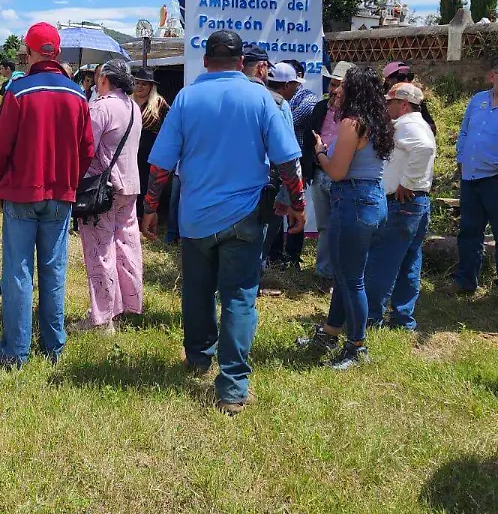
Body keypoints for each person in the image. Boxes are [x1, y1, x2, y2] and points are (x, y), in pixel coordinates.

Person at [141, 30, 305, 414]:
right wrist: (298, 203)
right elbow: (287, 160)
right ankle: (232, 388)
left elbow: (161, 163)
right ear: (241, 62)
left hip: (196, 218)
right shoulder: (261, 98)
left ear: (205, 61)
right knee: (240, 297)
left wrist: (150, 206)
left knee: (197, 291)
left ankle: (199, 357)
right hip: (246, 216)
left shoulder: (186, 99)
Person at [0, 23, 94, 367]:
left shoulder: (18, 91)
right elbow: (87, 149)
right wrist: (70, 180)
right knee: (54, 271)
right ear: (56, 53)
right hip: (60, 194)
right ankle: (53, 346)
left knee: (18, 273)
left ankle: (15, 353)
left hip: (21, 193)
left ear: (28, 53)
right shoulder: (78, 94)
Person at [300, 66, 395, 370]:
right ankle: (330, 332)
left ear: (355, 90)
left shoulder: (351, 123)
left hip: (352, 202)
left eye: (344, 85)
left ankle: (357, 346)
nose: (337, 89)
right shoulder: (379, 121)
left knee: (351, 279)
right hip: (372, 201)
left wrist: (320, 153)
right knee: (346, 274)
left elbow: (337, 172)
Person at [73, 60, 144, 334]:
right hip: (130, 185)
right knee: (126, 247)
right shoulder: (133, 107)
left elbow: (84, 147)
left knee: (100, 251)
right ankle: (128, 304)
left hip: (102, 189)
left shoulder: (101, 107)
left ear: (104, 79)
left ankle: (102, 318)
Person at [364, 82, 437, 330]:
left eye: (390, 102)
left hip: (402, 202)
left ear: (403, 104)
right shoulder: (418, 124)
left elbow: (424, 148)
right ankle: (402, 318)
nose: (386, 106)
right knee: (409, 261)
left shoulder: (407, 125)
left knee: (383, 261)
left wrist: (408, 182)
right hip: (416, 202)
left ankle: (371, 317)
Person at [452, 55, 498, 307]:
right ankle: (465, 280)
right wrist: (461, 158)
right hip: (470, 178)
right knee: (469, 232)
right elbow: (464, 131)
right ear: (493, 76)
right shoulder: (477, 100)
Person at [302, 61, 352, 293]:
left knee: (341, 227)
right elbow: (308, 139)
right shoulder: (321, 108)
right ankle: (323, 272)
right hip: (319, 173)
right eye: (332, 84)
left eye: (340, 85)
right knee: (324, 225)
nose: (334, 90)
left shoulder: (355, 115)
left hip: (341, 176)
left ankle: (340, 275)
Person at [263, 61, 304, 271]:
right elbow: (288, 155)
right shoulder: (281, 105)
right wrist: (292, 199)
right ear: (286, 85)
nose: (297, 89)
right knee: (264, 238)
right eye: (295, 85)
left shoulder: (256, 99)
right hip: (271, 182)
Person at [133, 67, 170, 216]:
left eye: (144, 84)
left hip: (150, 151)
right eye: (137, 83)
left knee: (146, 183)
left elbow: (171, 125)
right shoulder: (127, 101)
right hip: (130, 149)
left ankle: (145, 215)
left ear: (151, 86)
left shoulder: (159, 103)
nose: (139, 87)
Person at [382, 61, 437, 135]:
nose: (406, 80)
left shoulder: (414, 98)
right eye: (401, 77)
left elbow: (432, 128)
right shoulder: (380, 101)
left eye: (409, 77)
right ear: (388, 80)